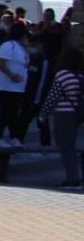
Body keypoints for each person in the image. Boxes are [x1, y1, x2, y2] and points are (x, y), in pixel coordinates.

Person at [42, 49, 83, 188]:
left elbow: (52, 97)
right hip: (76, 114)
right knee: (71, 146)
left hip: (63, 114)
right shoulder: (80, 75)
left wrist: (43, 114)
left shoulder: (62, 75)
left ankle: (72, 179)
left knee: (65, 147)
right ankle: (75, 177)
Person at [0, 22, 33, 147]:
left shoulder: (21, 48)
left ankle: (14, 137)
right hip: (6, 85)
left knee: (13, 112)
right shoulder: (9, 45)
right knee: (6, 111)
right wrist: (11, 75)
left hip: (18, 87)